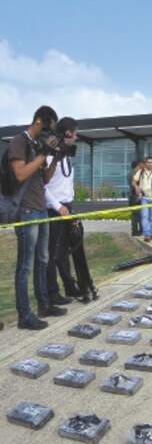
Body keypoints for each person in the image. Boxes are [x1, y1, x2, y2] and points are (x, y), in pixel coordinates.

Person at [5, 106, 66, 329]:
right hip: (26, 210)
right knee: (25, 265)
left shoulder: (37, 145)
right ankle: (24, 315)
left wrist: (55, 158)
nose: (48, 135)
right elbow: (20, 174)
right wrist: (42, 154)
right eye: (47, 129)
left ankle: (44, 304)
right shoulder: (19, 142)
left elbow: (45, 180)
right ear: (38, 121)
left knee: (43, 259)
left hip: (40, 208)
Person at [45, 117, 97, 305]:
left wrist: (70, 203)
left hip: (68, 207)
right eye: (74, 133)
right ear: (67, 133)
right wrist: (58, 207)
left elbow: (66, 181)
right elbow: (42, 186)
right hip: (54, 209)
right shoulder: (49, 155)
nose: (76, 137)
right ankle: (52, 293)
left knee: (68, 251)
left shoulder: (66, 155)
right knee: (52, 254)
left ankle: (69, 286)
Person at [132, 156, 152, 242]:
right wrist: (136, 187)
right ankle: (147, 235)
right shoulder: (141, 171)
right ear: (145, 163)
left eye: (151, 162)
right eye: (148, 162)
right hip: (144, 198)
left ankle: (151, 234)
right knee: (145, 216)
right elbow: (133, 181)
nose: (150, 164)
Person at [128, 160, 142, 236]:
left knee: (134, 215)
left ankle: (134, 231)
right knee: (139, 214)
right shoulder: (136, 173)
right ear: (137, 165)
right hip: (136, 196)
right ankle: (140, 230)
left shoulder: (129, 173)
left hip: (131, 196)